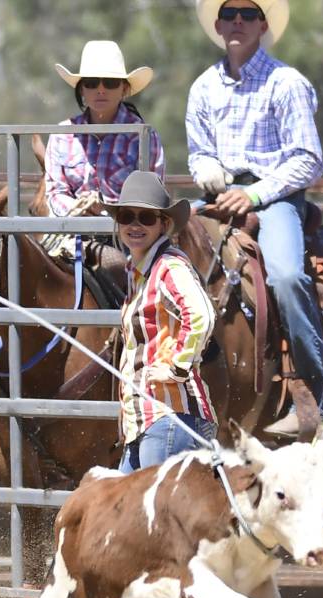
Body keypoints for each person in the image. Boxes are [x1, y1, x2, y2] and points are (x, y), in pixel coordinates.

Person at [185, 0, 323, 434]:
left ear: (264, 24)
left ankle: (311, 389)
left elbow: (307, 160)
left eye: (248, 14)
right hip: (219, 195)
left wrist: (253, 193)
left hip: (275, 195)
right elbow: (198, 151)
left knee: (284, 274)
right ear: (218, 24)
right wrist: (207, 172)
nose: (238, 22)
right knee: (156, 242)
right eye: (230, 14)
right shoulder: (203, 87)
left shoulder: (286, 83)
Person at [108, 171, 216, 472]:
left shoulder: (168, 266)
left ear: (163, 224)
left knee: (155, 519)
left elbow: (201, 315)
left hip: (170, 417)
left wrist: (177, 367)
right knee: (128, 518)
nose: (135, 225)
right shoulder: (141, 272)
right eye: (127, 216)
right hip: (149, 421)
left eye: (146, 217)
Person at [43, 40, 165, 282]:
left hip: (128, 240)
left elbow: (152, 198)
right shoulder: (62, 133)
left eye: (109, 83)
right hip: (69, 236)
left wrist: (109, 210)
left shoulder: (143, 135)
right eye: (91, 83)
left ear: (124, 89)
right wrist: (79, 210)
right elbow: (55, 192)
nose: (100, 90)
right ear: (82, 90)